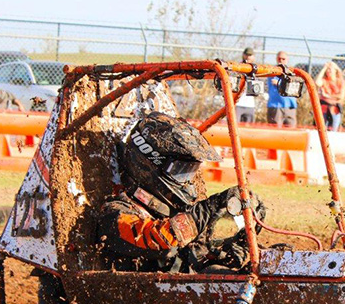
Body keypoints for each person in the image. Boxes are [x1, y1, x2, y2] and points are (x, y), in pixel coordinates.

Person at [97, 111, 265, 273]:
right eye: (180, 170)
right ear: (148, 162)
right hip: (143, 297)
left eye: (190, 171)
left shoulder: (168, 211)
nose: (186, 179)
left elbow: (197, 258)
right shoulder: (115, 213)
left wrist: (238, 243)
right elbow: (161, 240)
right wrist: (208, 208)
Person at [266, 51, 298, 127]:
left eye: (283, 59)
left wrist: (279, 83)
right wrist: (281, 83)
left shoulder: (291, 72)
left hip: (290, 106)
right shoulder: (273, 71)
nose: (281, 61)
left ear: (287, 60)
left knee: (291, 130)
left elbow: (293, 86)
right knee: (275, 130)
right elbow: (273, 81)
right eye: (279, 59)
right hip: (276, 106)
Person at [315, 61, 345, 131]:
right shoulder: (324, 80)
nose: (328, 71)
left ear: (335, 71)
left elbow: (341, 96)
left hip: (335, 109)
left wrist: (327, 96)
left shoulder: (340, 81)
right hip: (324, 107)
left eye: (330, 69)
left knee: (334, 129)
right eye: (327, 69)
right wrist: (324, 68)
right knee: (322, 128)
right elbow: (317, 82)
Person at [236, 47, 258, 123]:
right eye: (246, 55)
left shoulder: (256, 69)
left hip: (250, 104)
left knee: (248, 130)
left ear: (253, 57)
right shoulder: (238, 67)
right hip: (237, 103)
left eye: (250, 55)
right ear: (243, 55)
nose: (248, 57)